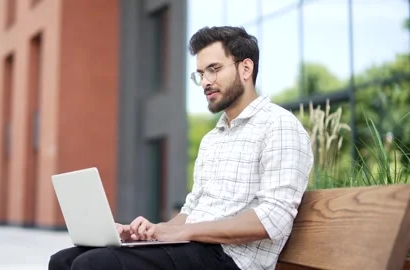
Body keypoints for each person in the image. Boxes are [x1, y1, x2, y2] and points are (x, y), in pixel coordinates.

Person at [48, 26, 314, 270]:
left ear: (246, 69)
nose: (206, 81)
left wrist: (184, 233)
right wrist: (152, 231)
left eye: (214, 69)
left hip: (231, 260)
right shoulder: (213, 139)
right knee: (63, 261)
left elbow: (274, 218)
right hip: (193, 249)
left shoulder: (279, 125)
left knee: (94, 266)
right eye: (200, 74)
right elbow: (191, 211)